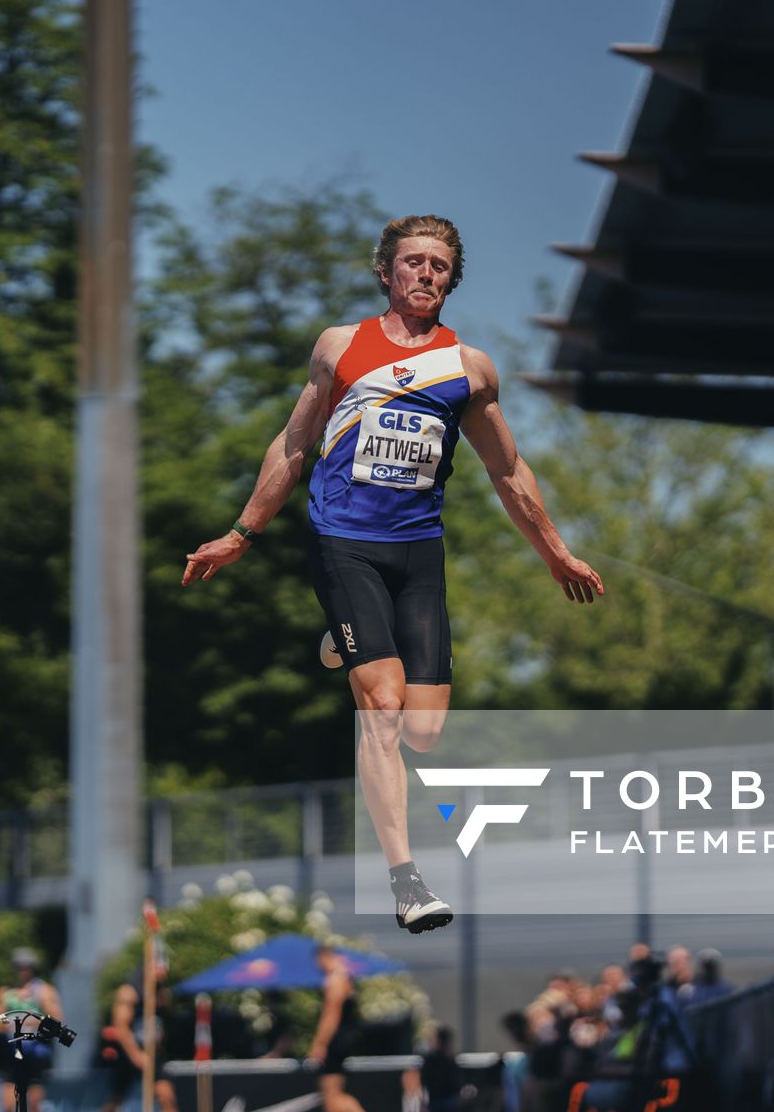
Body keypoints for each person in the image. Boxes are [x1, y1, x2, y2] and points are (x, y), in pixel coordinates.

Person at [182, 215, 604, 933]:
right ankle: (407, 882)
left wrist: (556, 552)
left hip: (418, 551)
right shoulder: (341, 348)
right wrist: (242, 532)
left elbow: (508, 472)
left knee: (425, 730)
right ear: (387, 271)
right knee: (379, 709)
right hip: (342, 540)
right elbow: (293, 443)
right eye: (412, 262)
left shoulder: (469, 369)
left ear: (451, 279)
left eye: (439, 266)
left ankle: (341, 643)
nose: (425, 275)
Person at [96, 962, 189, 1112]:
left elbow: (164, 1021)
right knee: (115, 1101)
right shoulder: (129, 992)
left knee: (167, 1097)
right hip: (128, 1054)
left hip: (154, 1054)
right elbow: (120, 1027)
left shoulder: (161, 992)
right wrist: (136, 1055)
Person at [303, 944, 382, 1112]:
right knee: (333, 1094)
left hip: (335, 1043)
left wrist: (319, 1043)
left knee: (330, 1095)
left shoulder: (335, 979)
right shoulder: (347, 977)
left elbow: (331, 1014)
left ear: (325, 957)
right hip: (343, 1042)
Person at [0, 949, 62, 1112]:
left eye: (26, 967)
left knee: (34, 1103)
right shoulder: (6, 993)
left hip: (36, 1054)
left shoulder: (44, 991)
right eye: (19, 967)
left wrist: (35, 1022)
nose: (23, 971)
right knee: (8, 1104)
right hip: (13, 1053)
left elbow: (57, 1020)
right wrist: (10, 1022)